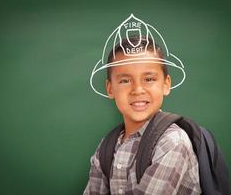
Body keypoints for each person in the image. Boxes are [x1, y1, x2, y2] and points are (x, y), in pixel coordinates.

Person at [83, 36, 201, 195]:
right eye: (125, 81)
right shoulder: (106, 147)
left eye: (149, 79)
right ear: (110, 89)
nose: (138, 89)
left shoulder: (172, 142)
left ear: (166, 84)